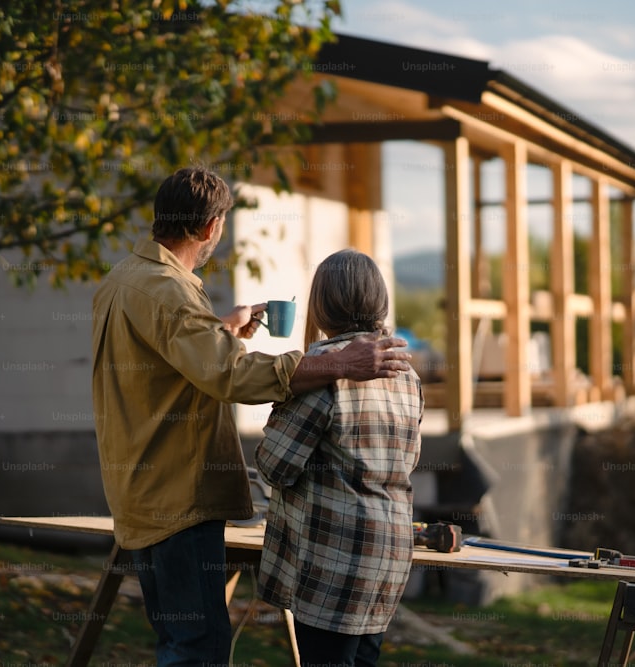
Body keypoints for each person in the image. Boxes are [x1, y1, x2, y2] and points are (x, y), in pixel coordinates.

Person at [90, 166, 411, 667]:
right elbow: (232, 378)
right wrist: (338, 365)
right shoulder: (169, 292)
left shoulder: (124, 279)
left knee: (181, 641)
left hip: (140, 488)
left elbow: (159, 363)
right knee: (198, 649)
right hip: (177, 496)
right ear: (210, 228)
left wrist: (220, 330)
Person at [254, 249, 424, 667]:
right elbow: (408, 461)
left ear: (321, 305)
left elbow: (274, 465)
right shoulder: (406, 373)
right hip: (388, 554)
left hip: (334, 558)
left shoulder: (326, 371)